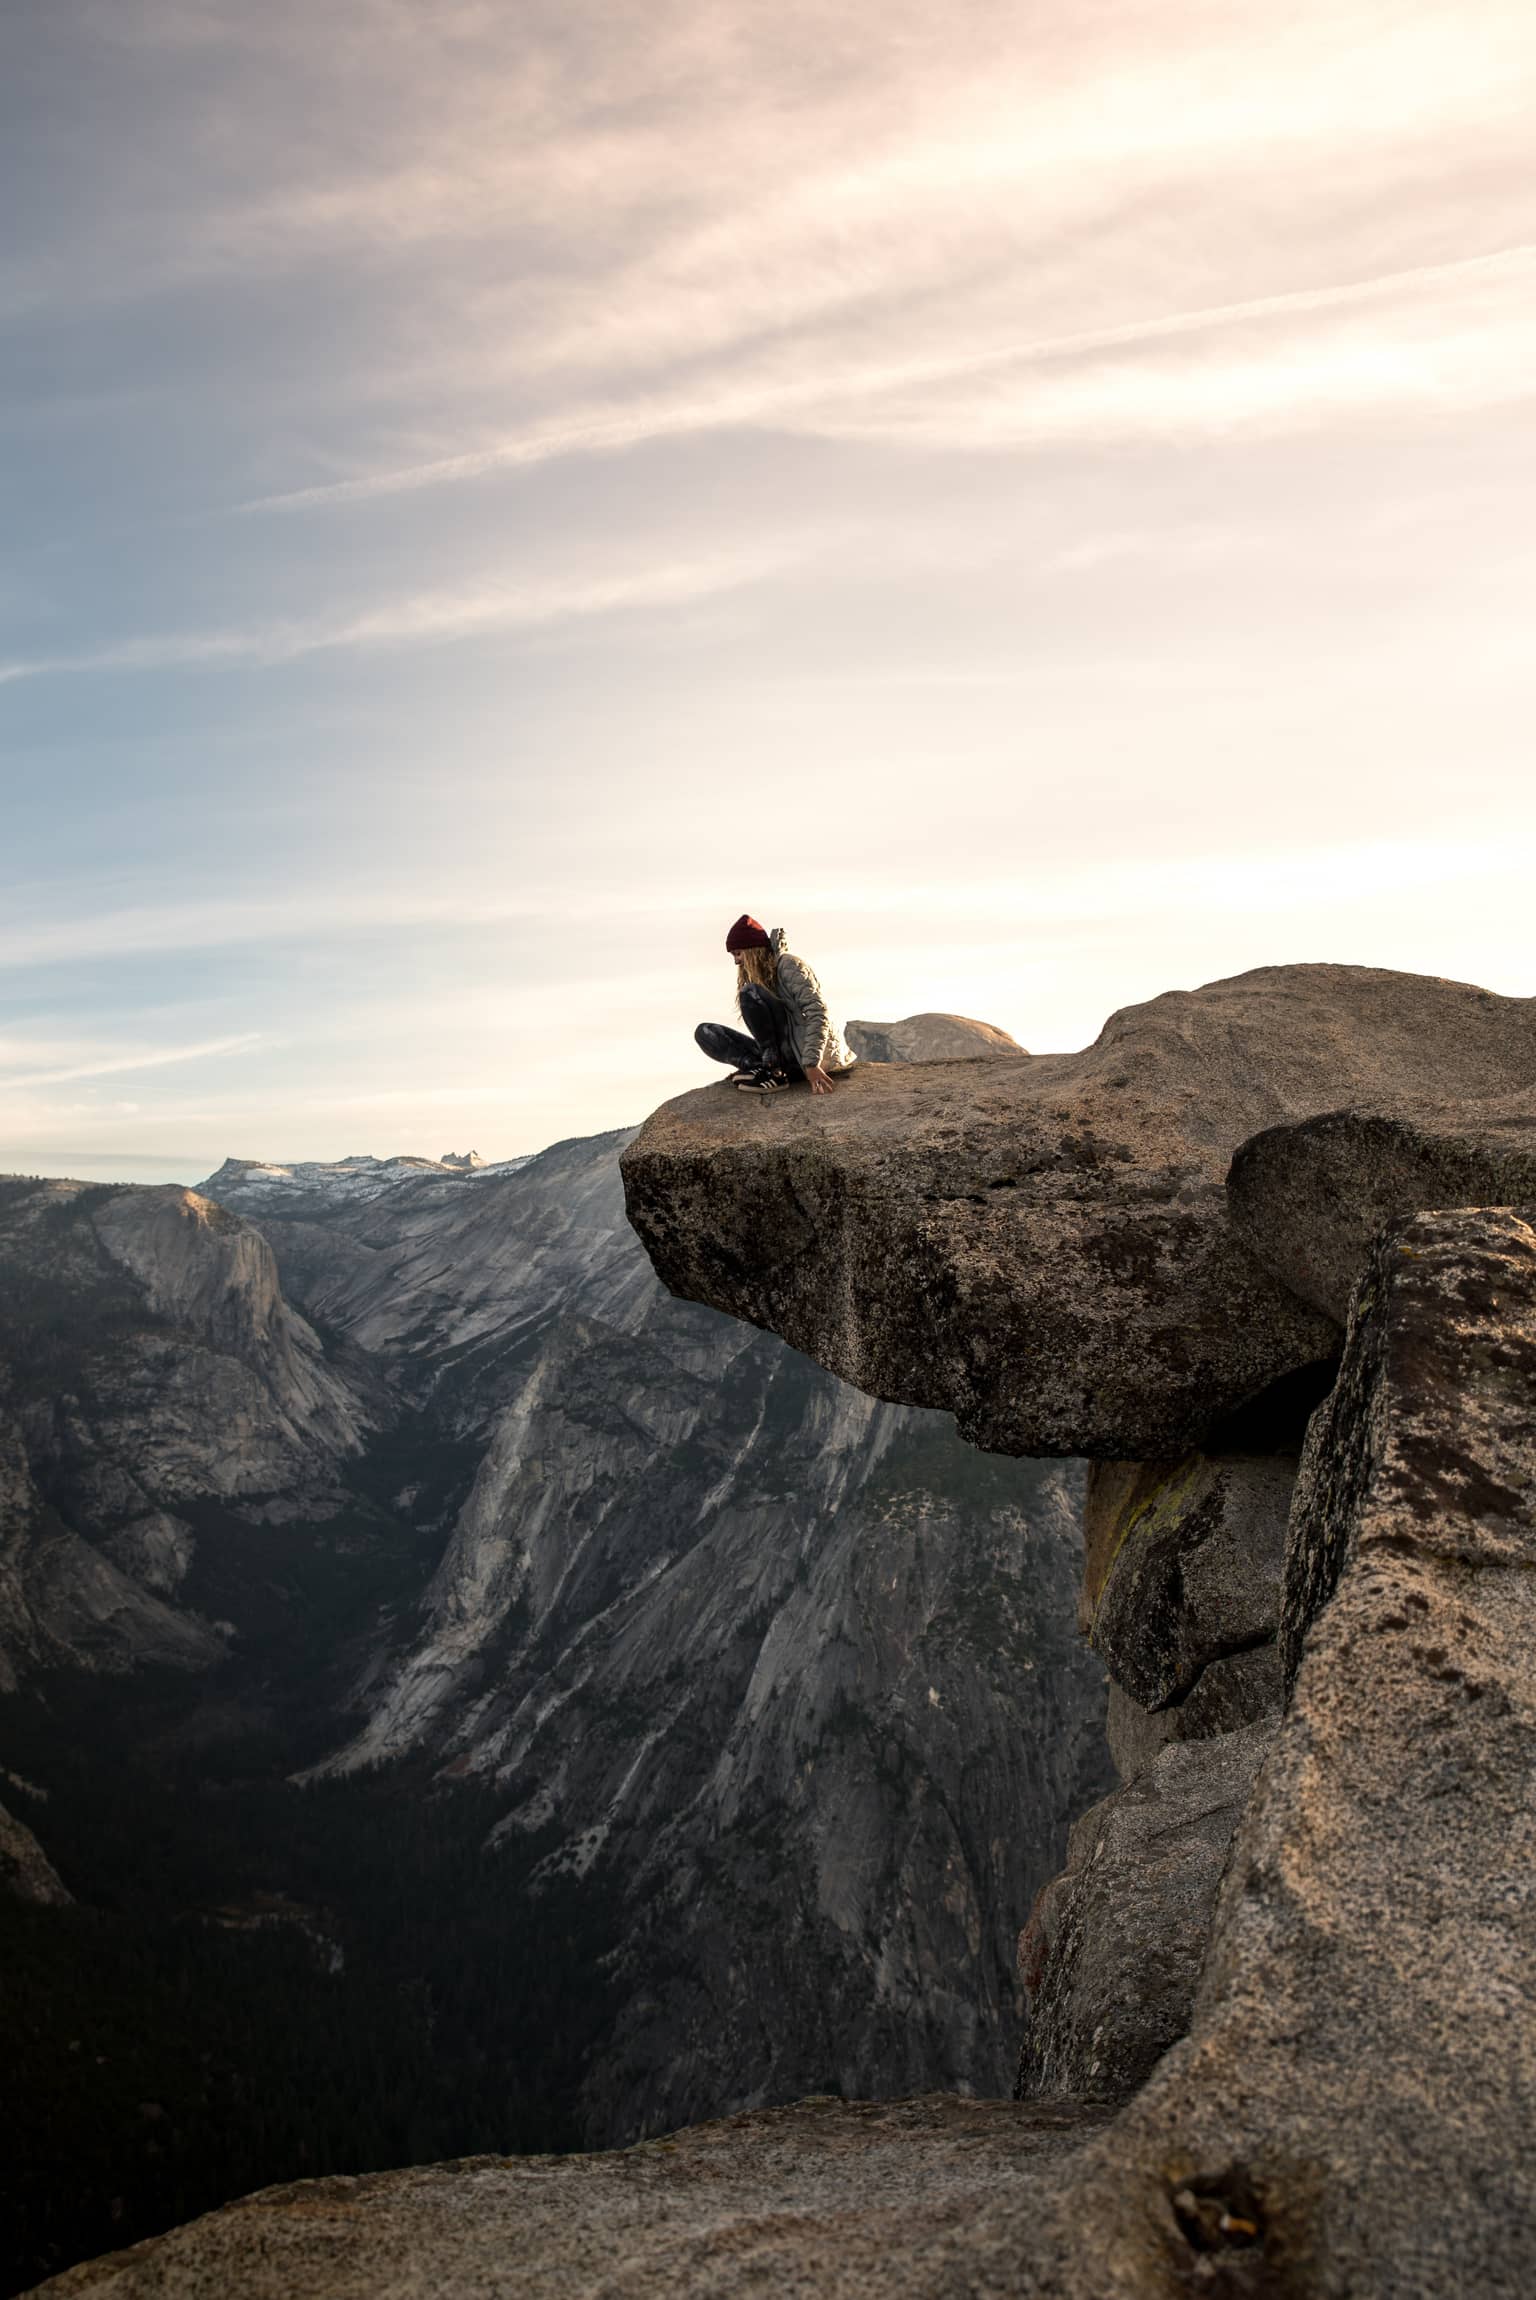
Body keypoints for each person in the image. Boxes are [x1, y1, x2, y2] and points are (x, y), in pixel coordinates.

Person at [695, 916, 858, 1095]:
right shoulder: (761, 976)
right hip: (782, 1055)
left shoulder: (789, 965)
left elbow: (818, 1014)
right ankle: (761, 1068)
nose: (736, 961)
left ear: (753, 950)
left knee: (750, 993)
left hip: (804, 1057)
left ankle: (774, 1072)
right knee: (705, 1032)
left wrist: (811, 1064)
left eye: (738, 953)